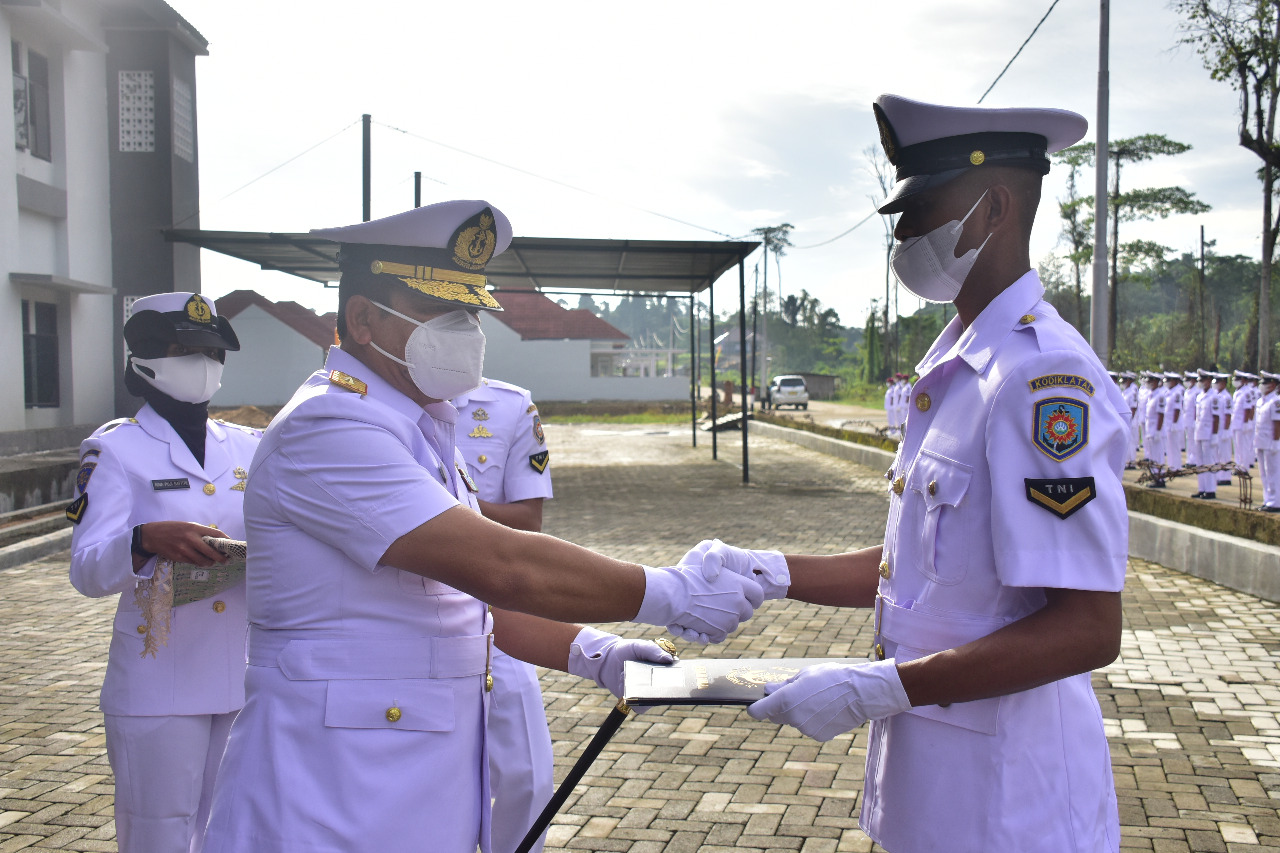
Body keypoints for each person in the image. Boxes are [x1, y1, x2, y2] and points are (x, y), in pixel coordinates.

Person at [201, 200, 763, 853]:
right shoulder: (329, 428)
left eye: (470, 310)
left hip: (404, 793)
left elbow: (471, 604)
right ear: (362, 320)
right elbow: (506, 566)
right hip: (325, 802)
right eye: (443, 311)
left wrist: (594, 651)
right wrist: (672, 593)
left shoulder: (419, 426)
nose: (466, 330)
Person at [690, 94, 1128, 852]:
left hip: (1010, 801)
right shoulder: (958, 371)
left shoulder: (1038, 377)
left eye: (923, 206)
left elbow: (1087, 627)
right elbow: (919, 573)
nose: (902, 231)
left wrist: (882, 687)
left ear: (993, 208)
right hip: (933, 786)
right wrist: (771, 572)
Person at [67, 292, 260, 853]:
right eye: (185, 349)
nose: (203, 363)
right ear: (146, 358)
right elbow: (87, 570)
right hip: (159, 677)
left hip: (242, 672)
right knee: (159, 832)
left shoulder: (248, 445)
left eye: (211, 350)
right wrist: (144, 540)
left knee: (232, 829)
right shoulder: (115, 450)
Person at [452, 377, 555, 853]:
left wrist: (445, 515)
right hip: (399, 612)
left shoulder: (510, 405)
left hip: (494, 611)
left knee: (527, 777)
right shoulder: (364, 399)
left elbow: (528, 520)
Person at [1192, 371, 1220, 499]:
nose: (1201, 383)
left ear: (1209, 381)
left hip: (1209, 434)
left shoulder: (1214, 397)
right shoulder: (1199, 396)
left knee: (1209, 462)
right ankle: (1202, 488)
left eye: (1203, 380)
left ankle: (1210, 489)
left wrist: (1214, 434)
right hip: (1199, 432)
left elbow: (1216, 417)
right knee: (1200, 462)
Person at [1255, 372, 1280, 511]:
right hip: (1261, 441)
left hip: (1271, 443)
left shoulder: (1276, 401)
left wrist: (1276, 442)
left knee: (1273, 473)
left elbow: (1277, 423)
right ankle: (1267, 500)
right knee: (1264, 473)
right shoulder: (1261, 401)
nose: (1262, 386)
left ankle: (1275, 502)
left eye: (1265, 383)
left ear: (1273, 385)